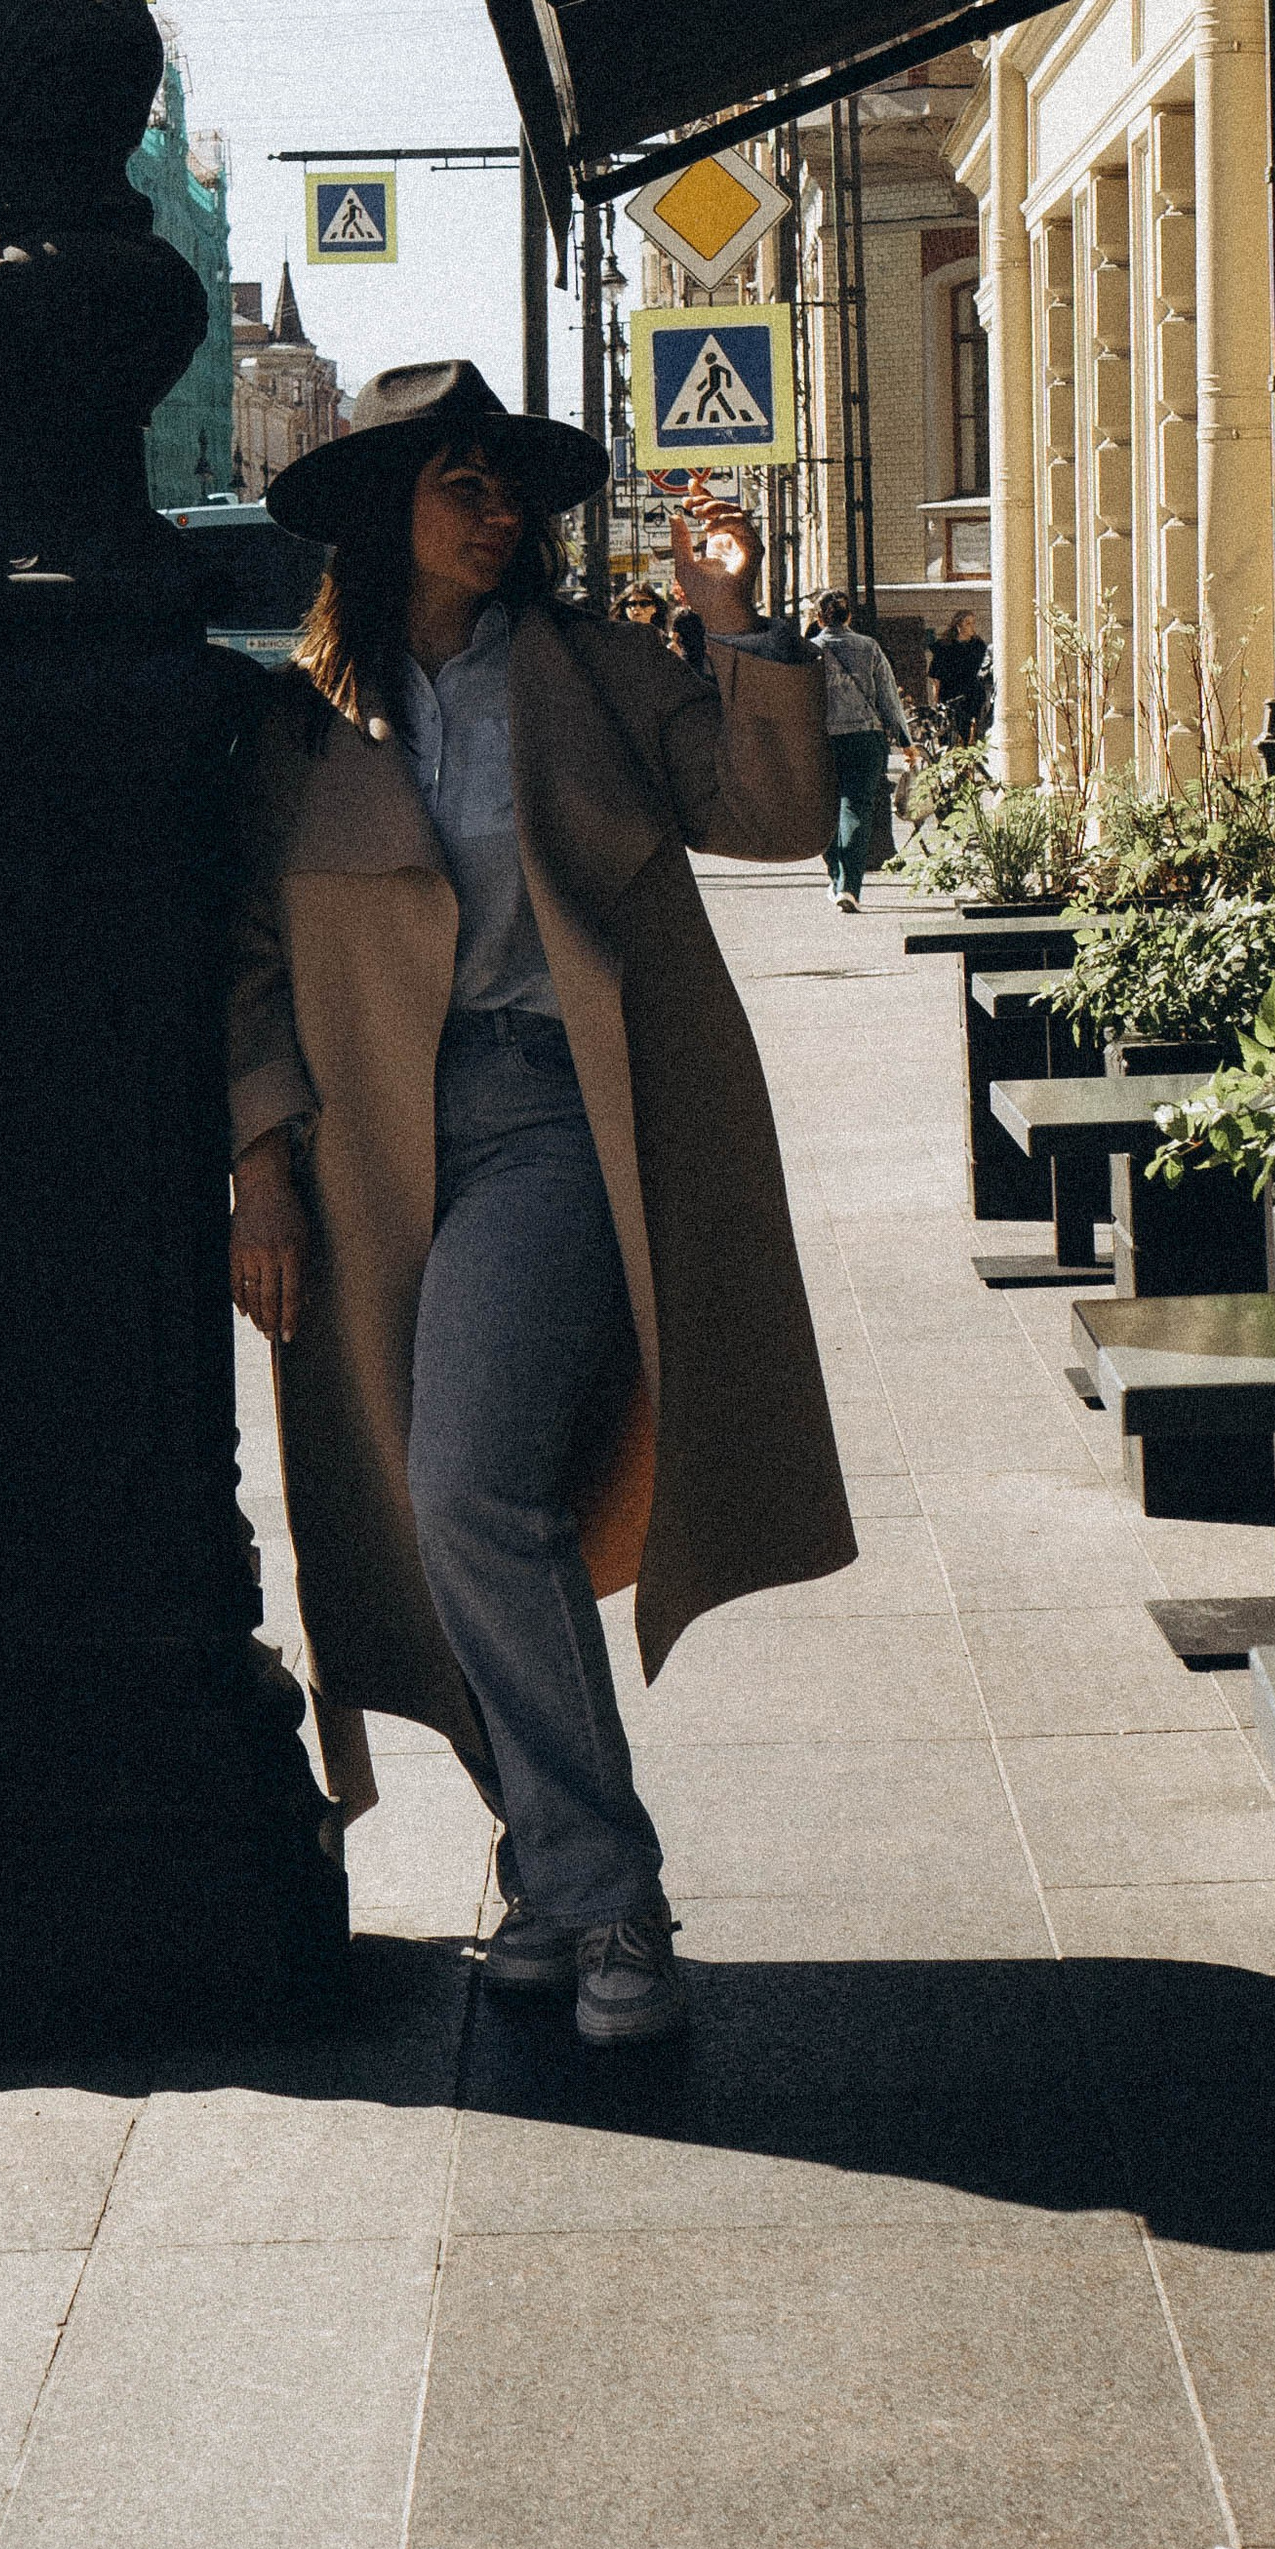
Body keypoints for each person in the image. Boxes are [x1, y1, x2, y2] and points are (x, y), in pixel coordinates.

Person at [228, 360, 853, 2048]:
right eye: (465, 486)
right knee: (433, 1525)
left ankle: (605, 1881)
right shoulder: (302, 717)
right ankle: (548, 1862)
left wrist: (733, 624)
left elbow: (779, 814)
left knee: (472, 1489)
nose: (504, 516)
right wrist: (262, 1164)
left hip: (555, 1116)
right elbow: (251, 965)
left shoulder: (589, 672)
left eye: (515, 489)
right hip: (369, 1152)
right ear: (385, 510)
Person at [807, 589, 912, 910]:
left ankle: (835, 874)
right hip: (866, 738)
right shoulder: (869, 648)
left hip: (822, 741)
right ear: (849, 616)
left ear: (819, 618)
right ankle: (848, 886)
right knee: (856, 807)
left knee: (824, 811)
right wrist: (906, 742)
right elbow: (888, 698)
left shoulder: (809, 652)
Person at [934, 606, 992, 743]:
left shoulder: (978, 645)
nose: (972, 627)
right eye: (968, 623)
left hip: (972, 695)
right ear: (958, 626)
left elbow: (983, 668)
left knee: (972, 734)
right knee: (949, 733)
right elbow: (936, 676)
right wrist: (936, 700)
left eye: (973, 623)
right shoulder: (945, 646)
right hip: (950, 695)